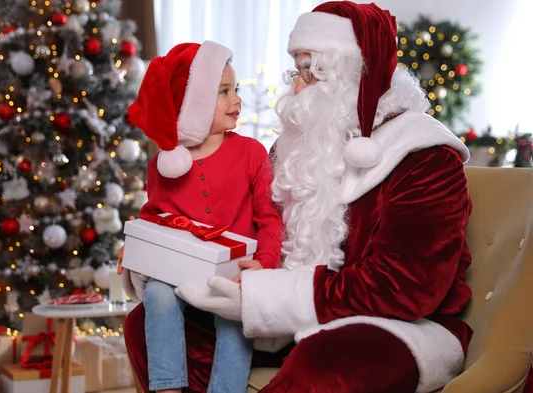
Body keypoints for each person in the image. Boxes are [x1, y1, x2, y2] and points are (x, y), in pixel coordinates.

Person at [125, 2, 475, 393]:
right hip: (281, 318)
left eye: (310, 73)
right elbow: (254, 227)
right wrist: (165, 261)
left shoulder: (425, 158)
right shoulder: (296, 149)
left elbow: (405, 289)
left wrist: (264, 298)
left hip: (398, 327)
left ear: (354, 75)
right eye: (297, 71)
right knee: (145, 323)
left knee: (325, 362)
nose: (295, 88)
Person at [119, 40, 284, 393]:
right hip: (180, 270)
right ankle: (167, 386)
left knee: (234, 316)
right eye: (224, 92)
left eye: (235, 89)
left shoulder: (251, 153)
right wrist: (134, 252)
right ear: (191, 104)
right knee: (157, 293)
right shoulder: (163, 167)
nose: (236, 100)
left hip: (234, 273)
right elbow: (152, 220)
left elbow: (270, 218)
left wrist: (266, 261)